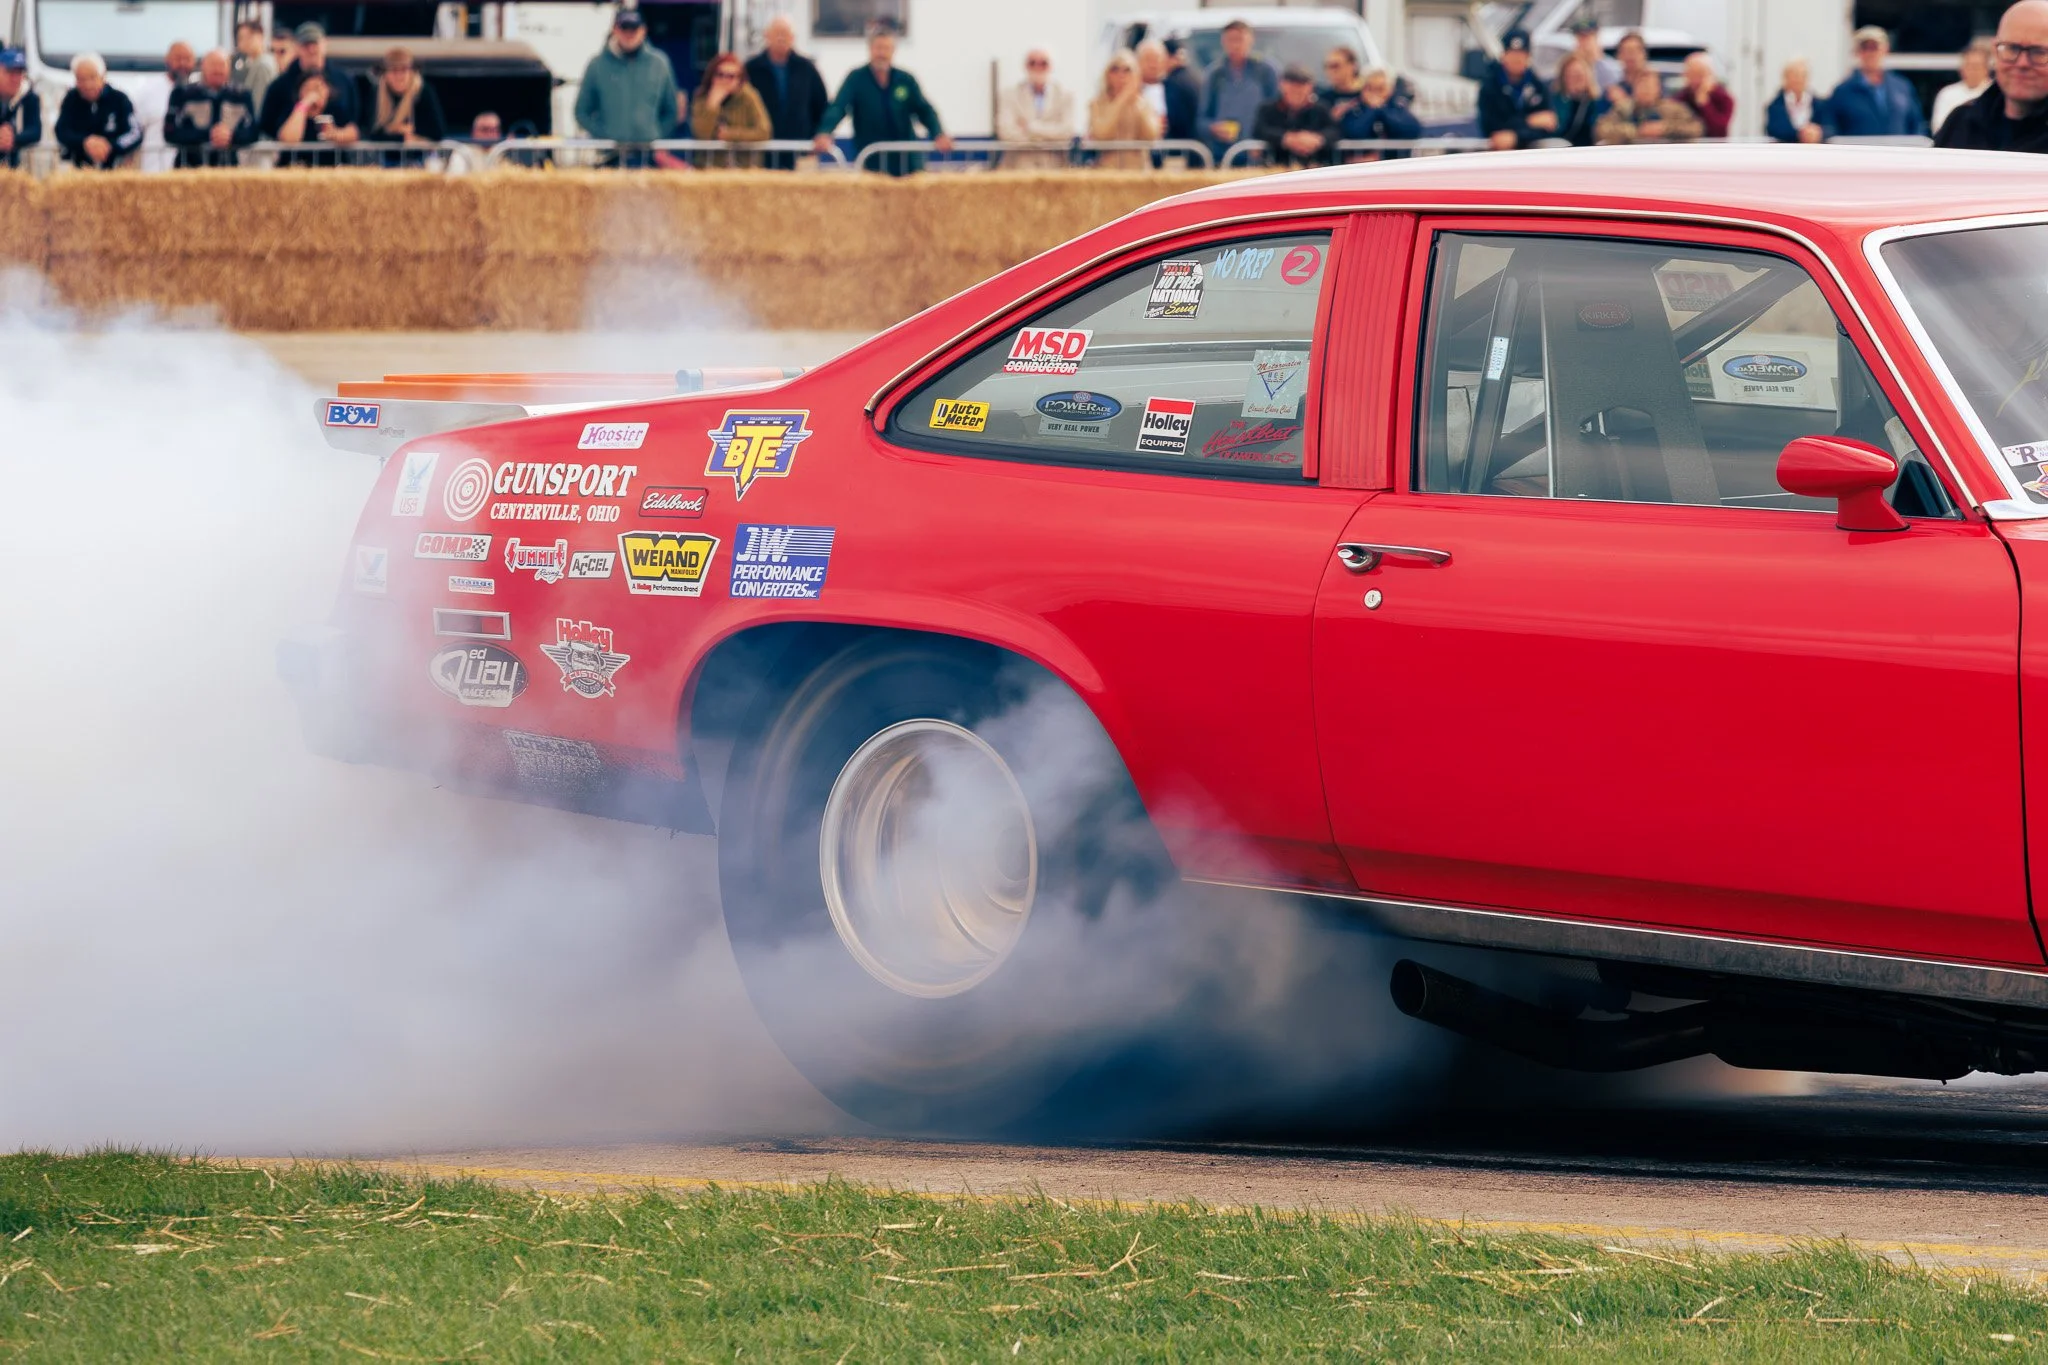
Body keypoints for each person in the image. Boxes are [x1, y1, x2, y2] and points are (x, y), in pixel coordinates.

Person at [813, 23, 950, 175]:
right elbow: (838, 107)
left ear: (893, 51)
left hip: (907, 162)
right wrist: (825, 132)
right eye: (878, 48)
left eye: (886, 49)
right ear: (870, 49)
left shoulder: (905, 80)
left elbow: (924, 110)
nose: (882, 53)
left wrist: (939, 133)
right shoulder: (856, 79)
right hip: (871, 161)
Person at [1938, 0, 2048, 153]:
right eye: (2012, 48)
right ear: (1995, 52)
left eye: (2038, 52)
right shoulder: (1961, 123)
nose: (2022, 63)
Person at [574, 9, 683, 157]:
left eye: (634, 28)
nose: (629, 33)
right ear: (615, 29)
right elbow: (581, 111)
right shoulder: (597, 64)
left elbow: (672, 110)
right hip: (610, 157)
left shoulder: (660, 63)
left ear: (643, 30)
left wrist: (655, 136)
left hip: (649, 157)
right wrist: (605, 136)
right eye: (624, 27)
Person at [743, 16, 828, 167]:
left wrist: (820, 134)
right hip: (761, 151)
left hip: (800, 150)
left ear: (792, 38)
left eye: (785, 34)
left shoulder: (806, 68)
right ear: (766, 36)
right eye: (777, 33)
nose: (781, 38)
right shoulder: (751, 69)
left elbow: (821, 104)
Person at [260, 24, 358, 144]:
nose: (311, 49)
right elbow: (273, 128)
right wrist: (304, 106)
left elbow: (354, 126)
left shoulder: (343, 83)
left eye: (315, 44)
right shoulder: (280, 86)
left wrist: (336, 134)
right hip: (293, 160)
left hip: (334, 160)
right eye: (306, 45)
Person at [1831, 25, 1928, 138]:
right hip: (1859, 154)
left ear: (1885, 50)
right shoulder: (1843, 92)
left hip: (1897, 153)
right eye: (1865, 48)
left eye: (1875, 47)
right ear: (1858, 52)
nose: (1870, 53)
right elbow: (1831, 130)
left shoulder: (1902, 87)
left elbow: (1917, 126)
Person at [166, 47, 257, 167]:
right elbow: (170, 132)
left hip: (229, 170)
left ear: (229, 67)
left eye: (222, 65)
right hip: (190, 170)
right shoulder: (182, 94)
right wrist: (208, 135)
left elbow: (254, 131)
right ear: (203, 66)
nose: (218, 70)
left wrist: (231, 136)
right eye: (213, 65)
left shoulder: (242, 95)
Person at [1201, 19, 1277, 158]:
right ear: (1223, 42)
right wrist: (1213, 128)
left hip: (1258, 152)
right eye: (1231, 40)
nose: (1235, 45)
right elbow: (1201, 120)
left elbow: (1277, 113)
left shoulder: (1266, 72)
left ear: (1251, 40)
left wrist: (1265, 140)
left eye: (1240, 39)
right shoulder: (1214, 75)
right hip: (1223, 154)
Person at [55, 53, 140, 169]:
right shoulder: (71, 99)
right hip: (79, 171)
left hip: (116, 170)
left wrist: (110, 146)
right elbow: (61, 130)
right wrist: (85, 142)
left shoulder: (119, 99)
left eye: (92, 77)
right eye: (81, 79)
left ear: (103, 77)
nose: (87, 85)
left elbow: (135, 133)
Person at [1478, 30, 1557, 149]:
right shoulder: (1490, 87)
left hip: (1533, 153)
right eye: (1513, 54)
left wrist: (1516, 136)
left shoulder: (1538, 87)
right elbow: (1492, 127)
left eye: (1521, 54)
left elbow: (1548, 124)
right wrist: (1530, 121)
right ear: (1504, 55)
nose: (1517, 59)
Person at [997, 49, 1075, 166]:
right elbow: (1006, 132)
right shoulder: (1009, 94)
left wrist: (1030, 127)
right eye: (1032, 63)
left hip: (1054, 168)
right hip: (1018, 168)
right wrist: (1049, 137)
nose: (1038, 67)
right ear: (1025, 66)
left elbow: (1066, 132)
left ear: (1051, 66)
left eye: (1043, 63)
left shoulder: (1065, 96)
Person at [691, 52, 770, 165]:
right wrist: (712, 105)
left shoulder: (749, 97)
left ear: (739, 79)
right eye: (720, 74)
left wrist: (730, 135)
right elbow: (701, 134)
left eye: (731, 76)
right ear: (712, 76)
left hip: (744, 169)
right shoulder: (701, 97)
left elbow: (764, 132)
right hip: (709, 168)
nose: (725, 80)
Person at [1252, 63, 1335, 168]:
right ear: (1281, 85)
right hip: (1276, 168)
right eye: (1292, 84)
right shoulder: (1267, 109)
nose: (1296, 89)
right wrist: (1286, 138)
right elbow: (1260, 130)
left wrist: (1317, 139)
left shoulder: (1321, 109)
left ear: (1311, 87)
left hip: (1315, 168)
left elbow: (1334, 130)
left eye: (1301, 84)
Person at [1087, 49, 1158, 169]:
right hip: (1108, 173)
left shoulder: (1144, 103)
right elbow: (1101, 134)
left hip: (1138, 173)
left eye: (1127, 70)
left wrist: (1136, 103)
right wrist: (1121, 100)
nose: (1121, 75)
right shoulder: (1097, 103)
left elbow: (1151, 135)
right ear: (1107, 74)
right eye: (1115, 69)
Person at [363, 46, 447, 147]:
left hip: (420, 157)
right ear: (385, 73)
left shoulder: (423, 91)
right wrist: (399, 133)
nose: (399, 76)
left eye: (403, 70)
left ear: (411, 71)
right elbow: (371, 133)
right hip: (384, 159)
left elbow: (437, 133)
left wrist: (411, 132)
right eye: (394, 70)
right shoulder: (377, 92)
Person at [132, 41, 195, 171]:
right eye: (178, 58)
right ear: (167, 60)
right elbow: (135, 131)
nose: (182, 63)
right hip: (155, 171)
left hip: (191, 175)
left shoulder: (199, 93)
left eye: (187, 59)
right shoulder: (148, 91)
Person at [1595, 68, 1702, 144]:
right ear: (1635, 88)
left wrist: (1664, 129)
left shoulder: (1674, 109)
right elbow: (1602, 129)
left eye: (1650, 86)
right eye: (1643, 85)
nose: (1647, 90)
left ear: (1658, 88)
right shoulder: (1623, 108)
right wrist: (1636, 131)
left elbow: (1696, 128)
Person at [1339, 65, 1421, 160]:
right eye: (1371, 88)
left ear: (1390, 88)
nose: (1376, 94)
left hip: (1395, 164)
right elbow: (1353, 132)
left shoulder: (1398, 106)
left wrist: (1382, 110)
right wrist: (1371, 110)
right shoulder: (1356, 108)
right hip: (1364, 166)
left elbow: (1412, 129)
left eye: (1380, 88)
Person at [1137, 38, 1198, 144]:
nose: (1153, 64)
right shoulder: (1132, 91)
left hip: (1169, 151)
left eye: (1157, 59)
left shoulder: (1176, 88)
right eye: (1148, 59)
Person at [1933, 39, 1996, 132]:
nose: (1972, 71)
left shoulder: (1996, 93)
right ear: (1961, 69)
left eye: (1976, 66)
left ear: (1987, 69)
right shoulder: (1947, 93)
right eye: (1968, 65)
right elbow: (1938, 128)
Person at [1766, 58, 1834, 143]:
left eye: (1802, 76)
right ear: (1785, 78)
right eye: (1794, 75)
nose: (1798, 80)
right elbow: (1774, 129)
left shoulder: (1820, 105)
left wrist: (1819, 133)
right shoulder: (1775, 106)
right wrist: (1801, 134)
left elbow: (1831, 127)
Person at [1549, 53, 1610, 147]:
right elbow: (1558, 128)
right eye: (1571, 75)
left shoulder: (1597, 102)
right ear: (1563, 78)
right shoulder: (1555, 101)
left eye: (1579, 75)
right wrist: (1570, 99)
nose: (1576, 79)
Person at [0, 47, 40, 171]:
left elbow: (35, 130)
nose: (15, 78)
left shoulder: (30, 97)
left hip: (17, 170)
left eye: (19, 73)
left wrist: (13, 139)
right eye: (10, 72)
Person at [1677, 50, 1734, 138]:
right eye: (1692, 75)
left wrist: (1704, 103)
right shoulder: (1679, 99)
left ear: (1711, 75)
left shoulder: (1724, 99)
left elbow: (1719, 131)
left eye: (1700, 75)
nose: (1696, 80)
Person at [1567, 18, 1622, 93]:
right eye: (1579, 38)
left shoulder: (1611, 68)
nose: (1583, 43)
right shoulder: (1571, 67)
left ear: (1596, 38)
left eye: (1586, 38)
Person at [232, 21, 274, 116]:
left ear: (260, 36)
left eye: (248, 37)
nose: (243, 42)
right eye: (240, 38)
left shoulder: (263, 65)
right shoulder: (252, 63)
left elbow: (259, 104)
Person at [1320, 45, 1366, 123]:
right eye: (1326, 66)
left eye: (1335, 66)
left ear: (1353, 66)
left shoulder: (1368, 93)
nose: (1330, 71)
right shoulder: (1324, 98)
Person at [1609, 29, 1653, 106]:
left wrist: (1624, 102)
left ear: (1644, 54)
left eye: (1635, 51)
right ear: (1619, 56)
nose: (1631, 56)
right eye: (1626, 51)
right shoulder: (1613, 92)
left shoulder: (1658, 87)